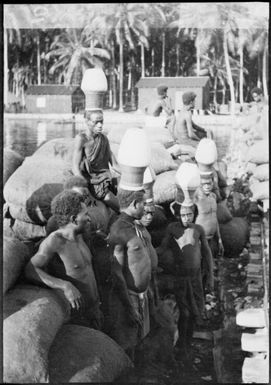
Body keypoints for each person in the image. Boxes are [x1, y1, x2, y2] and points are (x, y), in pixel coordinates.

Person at [24, 190, 103, 330]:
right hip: (78, 317)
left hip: (95, 308)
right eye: (86, 215)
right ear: (73, 219)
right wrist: (64, 285)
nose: (89, 218)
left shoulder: (81, 235)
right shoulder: (55, 241)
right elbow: (31, 270)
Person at [157, 203, 214, 360]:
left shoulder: (198, 230)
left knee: (195, 314)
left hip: (196, 279)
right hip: (181, 279)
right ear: (178, 215)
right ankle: (182, 344)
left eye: (189, 215)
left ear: (194, 215)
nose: (186, 218)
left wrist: (210, 277)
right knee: (186, 313)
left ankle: (187, 343)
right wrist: (151, 255)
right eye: (183, 215)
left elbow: (207, 253)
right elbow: (162, 248)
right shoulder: (173, 229)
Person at [106, 188, 152, 359]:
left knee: (137, 339)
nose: (145, 207)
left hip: (139, 295)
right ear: (134, 204)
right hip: (127, 298)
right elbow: (116, 272)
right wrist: (129, 306)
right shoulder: (119, 230)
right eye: (142, 203)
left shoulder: (133, 226)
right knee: (127, 344)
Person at [72, 109, 120, 213]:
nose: (100, 125)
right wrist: (84, 188)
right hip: (91, 181)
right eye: (96, 122)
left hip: (105, 177)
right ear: (87, 122)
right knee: (113, 202)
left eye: (101, 121)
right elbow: (75, 167)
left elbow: (115, 165)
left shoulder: (103, 139)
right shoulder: (81, 139)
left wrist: (131, 176)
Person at [194, 173, 224, 290]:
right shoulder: (197, 197)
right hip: (200, 238)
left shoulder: (213, 197)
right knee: (201, 266)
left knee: (209, 265)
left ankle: (207, 291)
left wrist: (220, 238)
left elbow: (214, 218)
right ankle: (200, 292)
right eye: (204, 184)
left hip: (212, 237)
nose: (207, 186)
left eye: (209, 183)